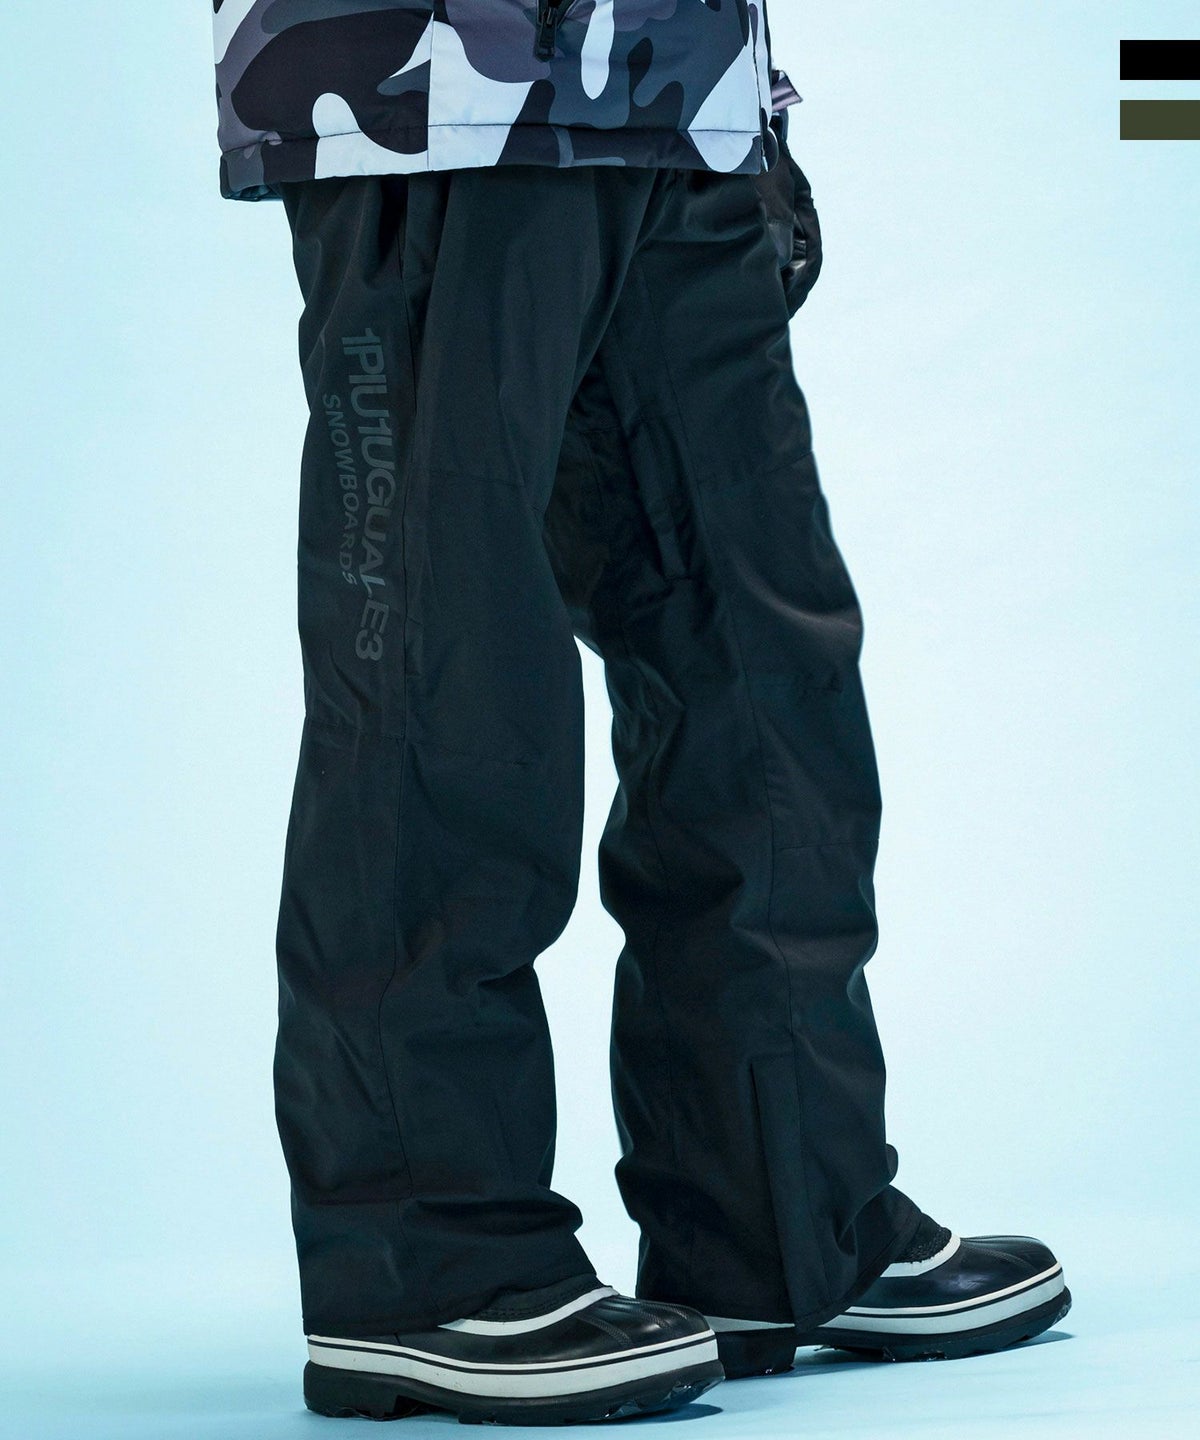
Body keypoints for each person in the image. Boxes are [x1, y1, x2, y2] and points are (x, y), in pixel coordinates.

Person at [213, 1, 1070, 1425]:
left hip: (677, 90)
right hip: (437, 88)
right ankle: (422, 1261)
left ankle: (778, 1225)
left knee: (762, 664)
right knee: (444, 673)